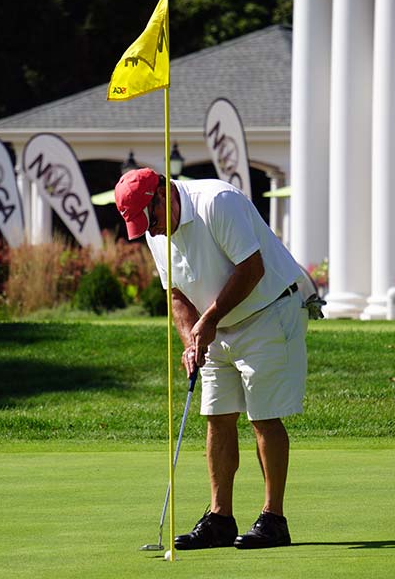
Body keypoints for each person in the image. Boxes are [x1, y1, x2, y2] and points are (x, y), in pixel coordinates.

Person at [114, 167, 309, 550]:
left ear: (162, 195)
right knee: (217, 415)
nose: (151, 231)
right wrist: (192, 342)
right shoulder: (157, 233)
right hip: (216, 323)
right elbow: (177, 295)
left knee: (263, 415)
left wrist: (209, 321)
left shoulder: (216, 202)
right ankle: (220, 518)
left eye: (150, 220)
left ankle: (274, 519)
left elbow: (252, 269)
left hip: (269, 311)